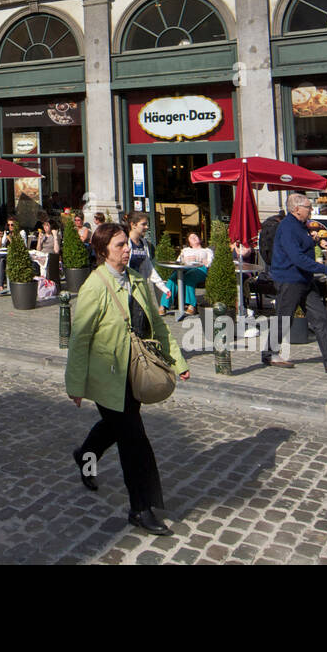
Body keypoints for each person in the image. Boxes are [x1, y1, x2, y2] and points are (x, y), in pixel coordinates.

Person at [65, 222, 190, 536]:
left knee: (112, 428)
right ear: (103, 251)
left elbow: (157, 328)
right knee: (134, 442)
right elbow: (79, 339)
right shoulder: (95, 286)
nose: (127, 249)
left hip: (134, 372)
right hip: (107, 376)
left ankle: (85, 457)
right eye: (120, 245)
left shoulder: (136, 279)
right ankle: (140, 508)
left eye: (127, 244)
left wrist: (177, 360)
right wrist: (75, 384)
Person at [263, 193, 327, 374]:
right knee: (284, 319)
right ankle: (270, 354)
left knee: (321, 320)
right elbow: (297, 258)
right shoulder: (288, 227)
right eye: (308, 207)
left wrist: (312, 240)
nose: (311, 210)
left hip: (304, 280)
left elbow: (301, 248)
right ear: (297, 209)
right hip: (290, 280)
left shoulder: (300, 225)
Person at [164, 231, 212, 315]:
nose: (193, 238)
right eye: (191, 237)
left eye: (195, 236)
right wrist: (185, 259)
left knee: (189, 277)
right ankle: (164, 305)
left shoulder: (206, 250)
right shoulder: (185, 250)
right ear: (189, 243)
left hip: (200, 269)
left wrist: (202, 260)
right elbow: (178, 262)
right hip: (185, 268)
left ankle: (192, 305)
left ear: (199, 239)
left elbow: (210, 263)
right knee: (173, 278)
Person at [0, 216, 22, 293]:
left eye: (12, 225)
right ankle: (1, 286)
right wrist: (1, 238)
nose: (10, 227)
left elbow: (20, 247)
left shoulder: (21, 233)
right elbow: (0, 247)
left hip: (17, 255)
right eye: (8, 225)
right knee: (1, 259)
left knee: (0, 256)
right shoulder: (7, 233)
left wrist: (10, 238)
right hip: (8, 254)